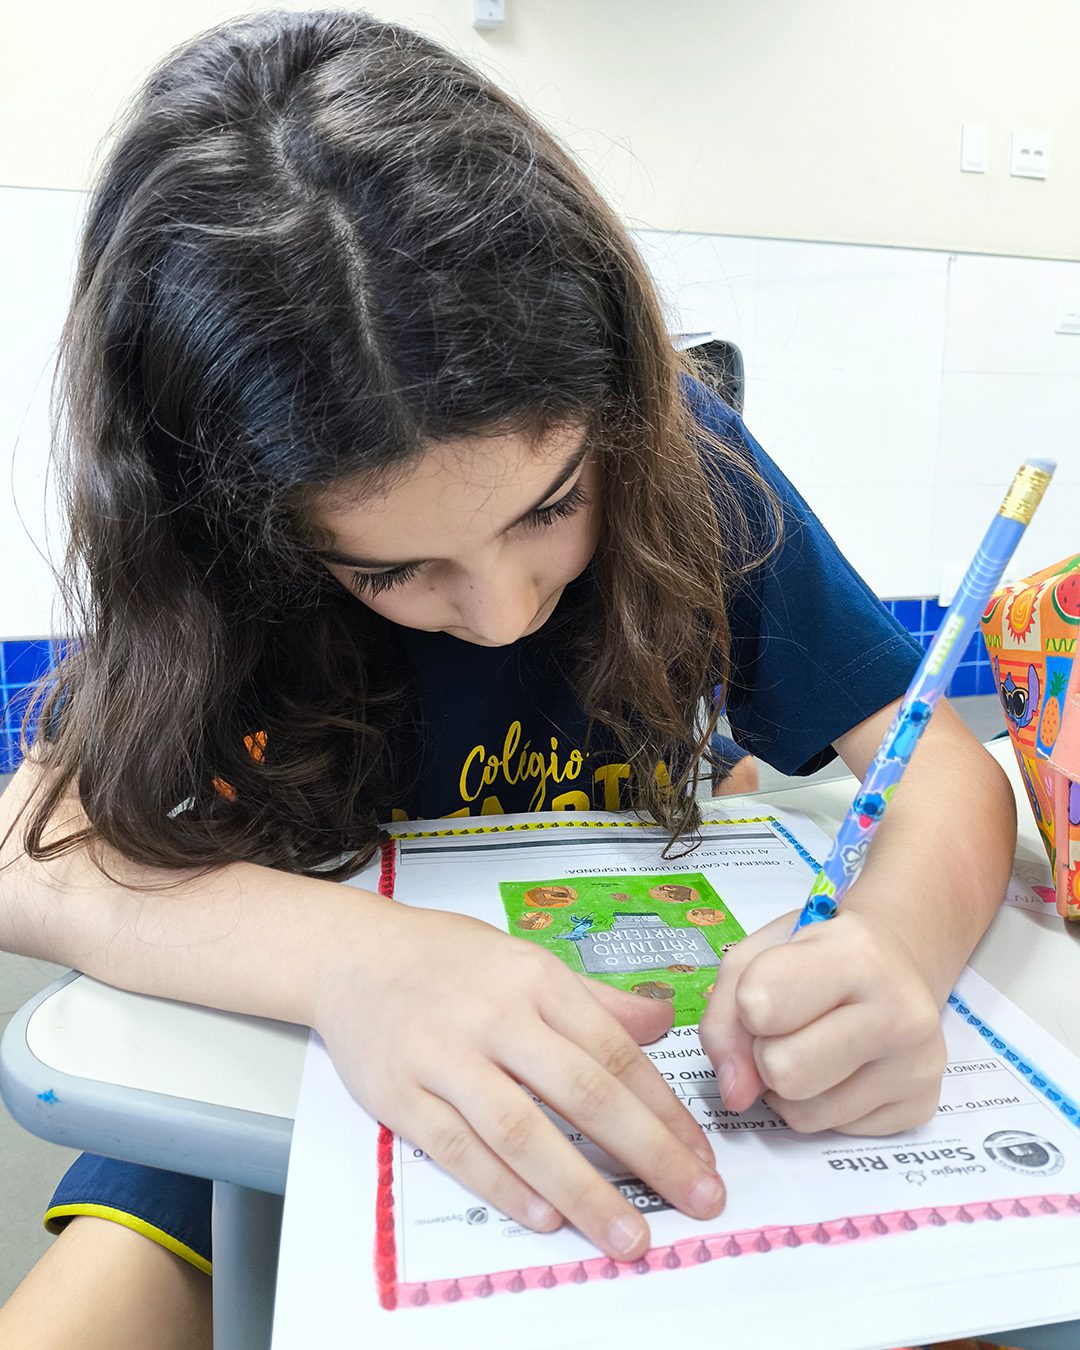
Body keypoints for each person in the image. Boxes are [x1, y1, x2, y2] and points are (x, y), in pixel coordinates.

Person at [0, 12, 1015, 1348]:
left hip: (666, 1077)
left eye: (550, 506)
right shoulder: (212, 547)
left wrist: (894, 946)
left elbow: (942, 771)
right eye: (393, 570)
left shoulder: (690, 457)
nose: (502, 611)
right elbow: (28, 853)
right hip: (294, 1060)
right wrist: (353, 963)